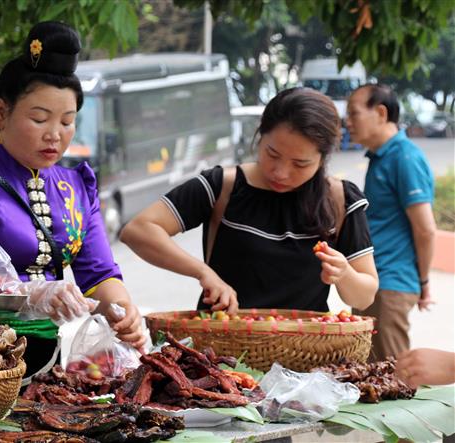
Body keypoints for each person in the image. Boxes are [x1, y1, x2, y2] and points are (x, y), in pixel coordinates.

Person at [0, 21, 145, 378]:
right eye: (39, 119)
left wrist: (122, 309)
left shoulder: (75, 186)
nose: (55, 135)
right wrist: (32, 293)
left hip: (48, 365)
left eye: (68, 122)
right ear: (1, 113)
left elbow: (98, 274)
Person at [120, 87, 378, 315]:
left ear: (323, 159)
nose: (281, 172)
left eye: (301, 163)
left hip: (304, 355)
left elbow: (364, 297)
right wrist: (204, 273)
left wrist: (345, 274)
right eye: (272, 153)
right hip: (221, 355)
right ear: (259, 136)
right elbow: (139, 230)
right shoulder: (222, 185)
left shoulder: (341, 199)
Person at [346, 84, 437, 361]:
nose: (347, 123)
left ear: (381, 113)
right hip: (372, 282)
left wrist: (423, 282)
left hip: (391, 284)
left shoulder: (404, 157)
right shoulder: (380, 156)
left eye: (354, 114)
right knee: (364, 374)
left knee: (391, 376)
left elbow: (425, 229)